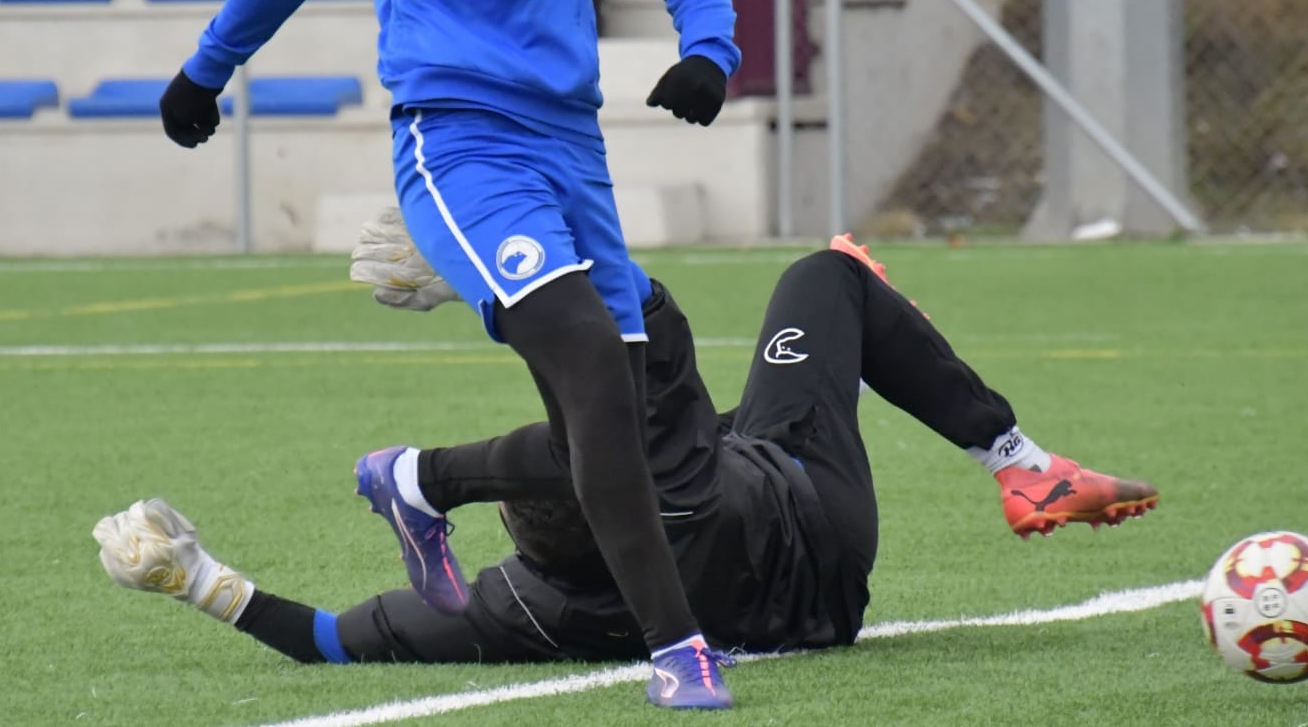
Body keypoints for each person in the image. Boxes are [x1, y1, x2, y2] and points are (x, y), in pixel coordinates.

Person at [152, 0, 741, 709]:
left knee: (611, 419)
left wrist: (707, 49)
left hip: (573, 152)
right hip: (456, 143)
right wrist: (205, 70)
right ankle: (680, 648)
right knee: (593, 373)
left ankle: (413, 483)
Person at [95, 232, 1159, 694]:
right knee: (826, 277)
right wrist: (476, 258)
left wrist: (196, 582)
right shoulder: (667, 471)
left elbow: (328, 641)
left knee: (775, 360)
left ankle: (419, 480)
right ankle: (1016, 459)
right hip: (805, 503)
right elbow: (621, 299)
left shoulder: (526, 609)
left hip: (796, 591)